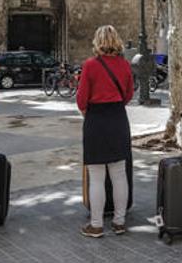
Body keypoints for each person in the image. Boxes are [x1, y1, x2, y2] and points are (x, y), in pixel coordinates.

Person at [77, 25, 135, 238]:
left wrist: (89, 115)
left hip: (96, 120)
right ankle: (119, 222)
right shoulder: (125, 65)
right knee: (119, 174)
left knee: (97, 176)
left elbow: (81, 99)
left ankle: (97, 224)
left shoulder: (90, 65)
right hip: (118, 119)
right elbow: (128, 94)